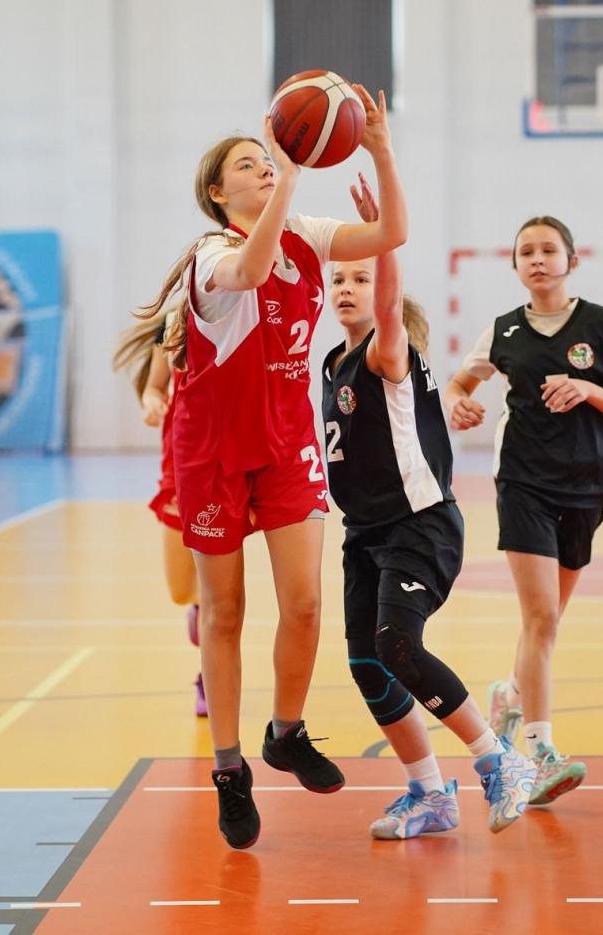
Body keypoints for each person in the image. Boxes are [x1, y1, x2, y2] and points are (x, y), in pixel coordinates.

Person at [133, 87, 407, 849]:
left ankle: (286, 733)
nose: (263, 168)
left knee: (307, 605)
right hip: (213, 452)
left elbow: (393, 233)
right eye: (248, 165)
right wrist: (289, 175)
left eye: (268, 159)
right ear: (218, 193)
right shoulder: (212, 257)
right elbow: (253, 272)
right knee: (224, 612)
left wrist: (382, 153)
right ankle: (229, 769)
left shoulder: (307, 235)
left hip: (286, 443)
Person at [322, 183, 536, 840]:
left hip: (419, 524)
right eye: (339, 279)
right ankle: (429, 795)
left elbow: (390, 308)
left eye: (361, 278)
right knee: (367, 663)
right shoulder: (332, 366)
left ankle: (498, 760)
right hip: (364, 533)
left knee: (397, 643)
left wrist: (381, 237)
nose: (346, 287)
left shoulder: (386, 353)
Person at [443, 216, 603, 807]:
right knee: (542, 618)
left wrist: (589, 389)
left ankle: (508, 695)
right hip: (523, 482)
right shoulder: (503, 330)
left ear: (571, 261)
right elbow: (457, 385)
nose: (537, 259)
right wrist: (457, 404)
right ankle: (541, 754)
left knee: (549, 620)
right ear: (515, 266)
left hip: (588, 486)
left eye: (548, 250)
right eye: (526, 251)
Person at [112, 308, 210, 717]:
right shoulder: (175, 322)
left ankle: (210, 676)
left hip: (228, 469)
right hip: (179, 471)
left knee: (221, 595)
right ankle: (201, 612)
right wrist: (151, 403)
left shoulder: (248, 315)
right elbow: (154, 387)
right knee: (182, 591)